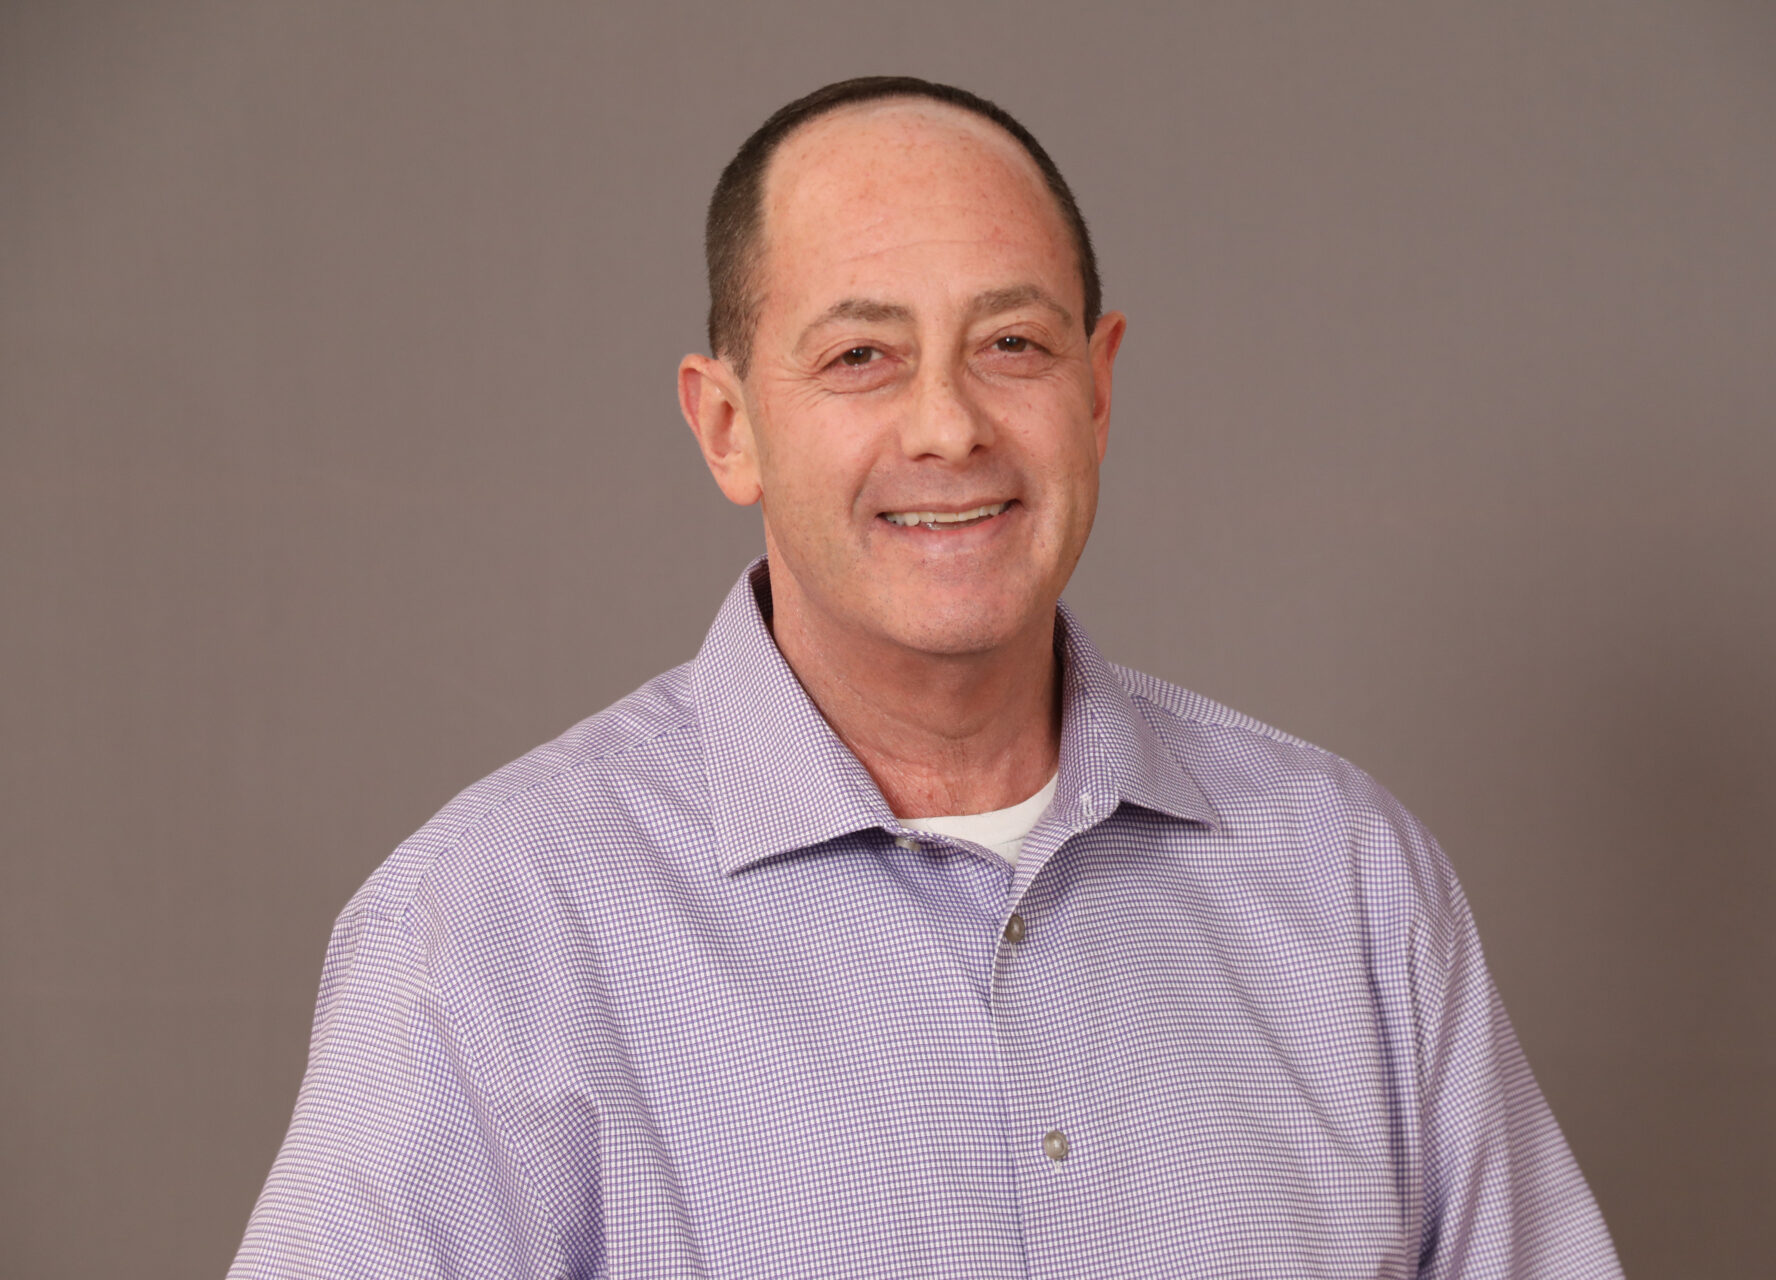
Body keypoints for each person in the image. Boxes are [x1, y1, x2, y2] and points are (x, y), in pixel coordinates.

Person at [231, 76, 1623, 1279]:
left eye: (1012, 345)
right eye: (860, 357)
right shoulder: (489, 930)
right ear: (729, 428)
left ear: (1098, 387)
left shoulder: (1349, 885)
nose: (949, 425)